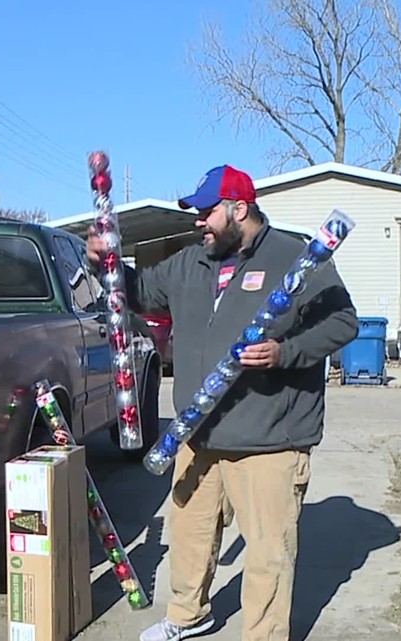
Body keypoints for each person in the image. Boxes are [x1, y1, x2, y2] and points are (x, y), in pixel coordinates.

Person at [85, 165, 358, 641]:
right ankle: (188, 615)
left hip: (269, 436)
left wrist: (284, 353)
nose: (198, 222)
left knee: (268, 553)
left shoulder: (292, 257)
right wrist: (104, 264)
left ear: (239, 209)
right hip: (198, 432)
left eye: (207, 212)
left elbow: (343, 323)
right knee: (189, 537)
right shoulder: (192, 262)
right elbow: (140, 292)